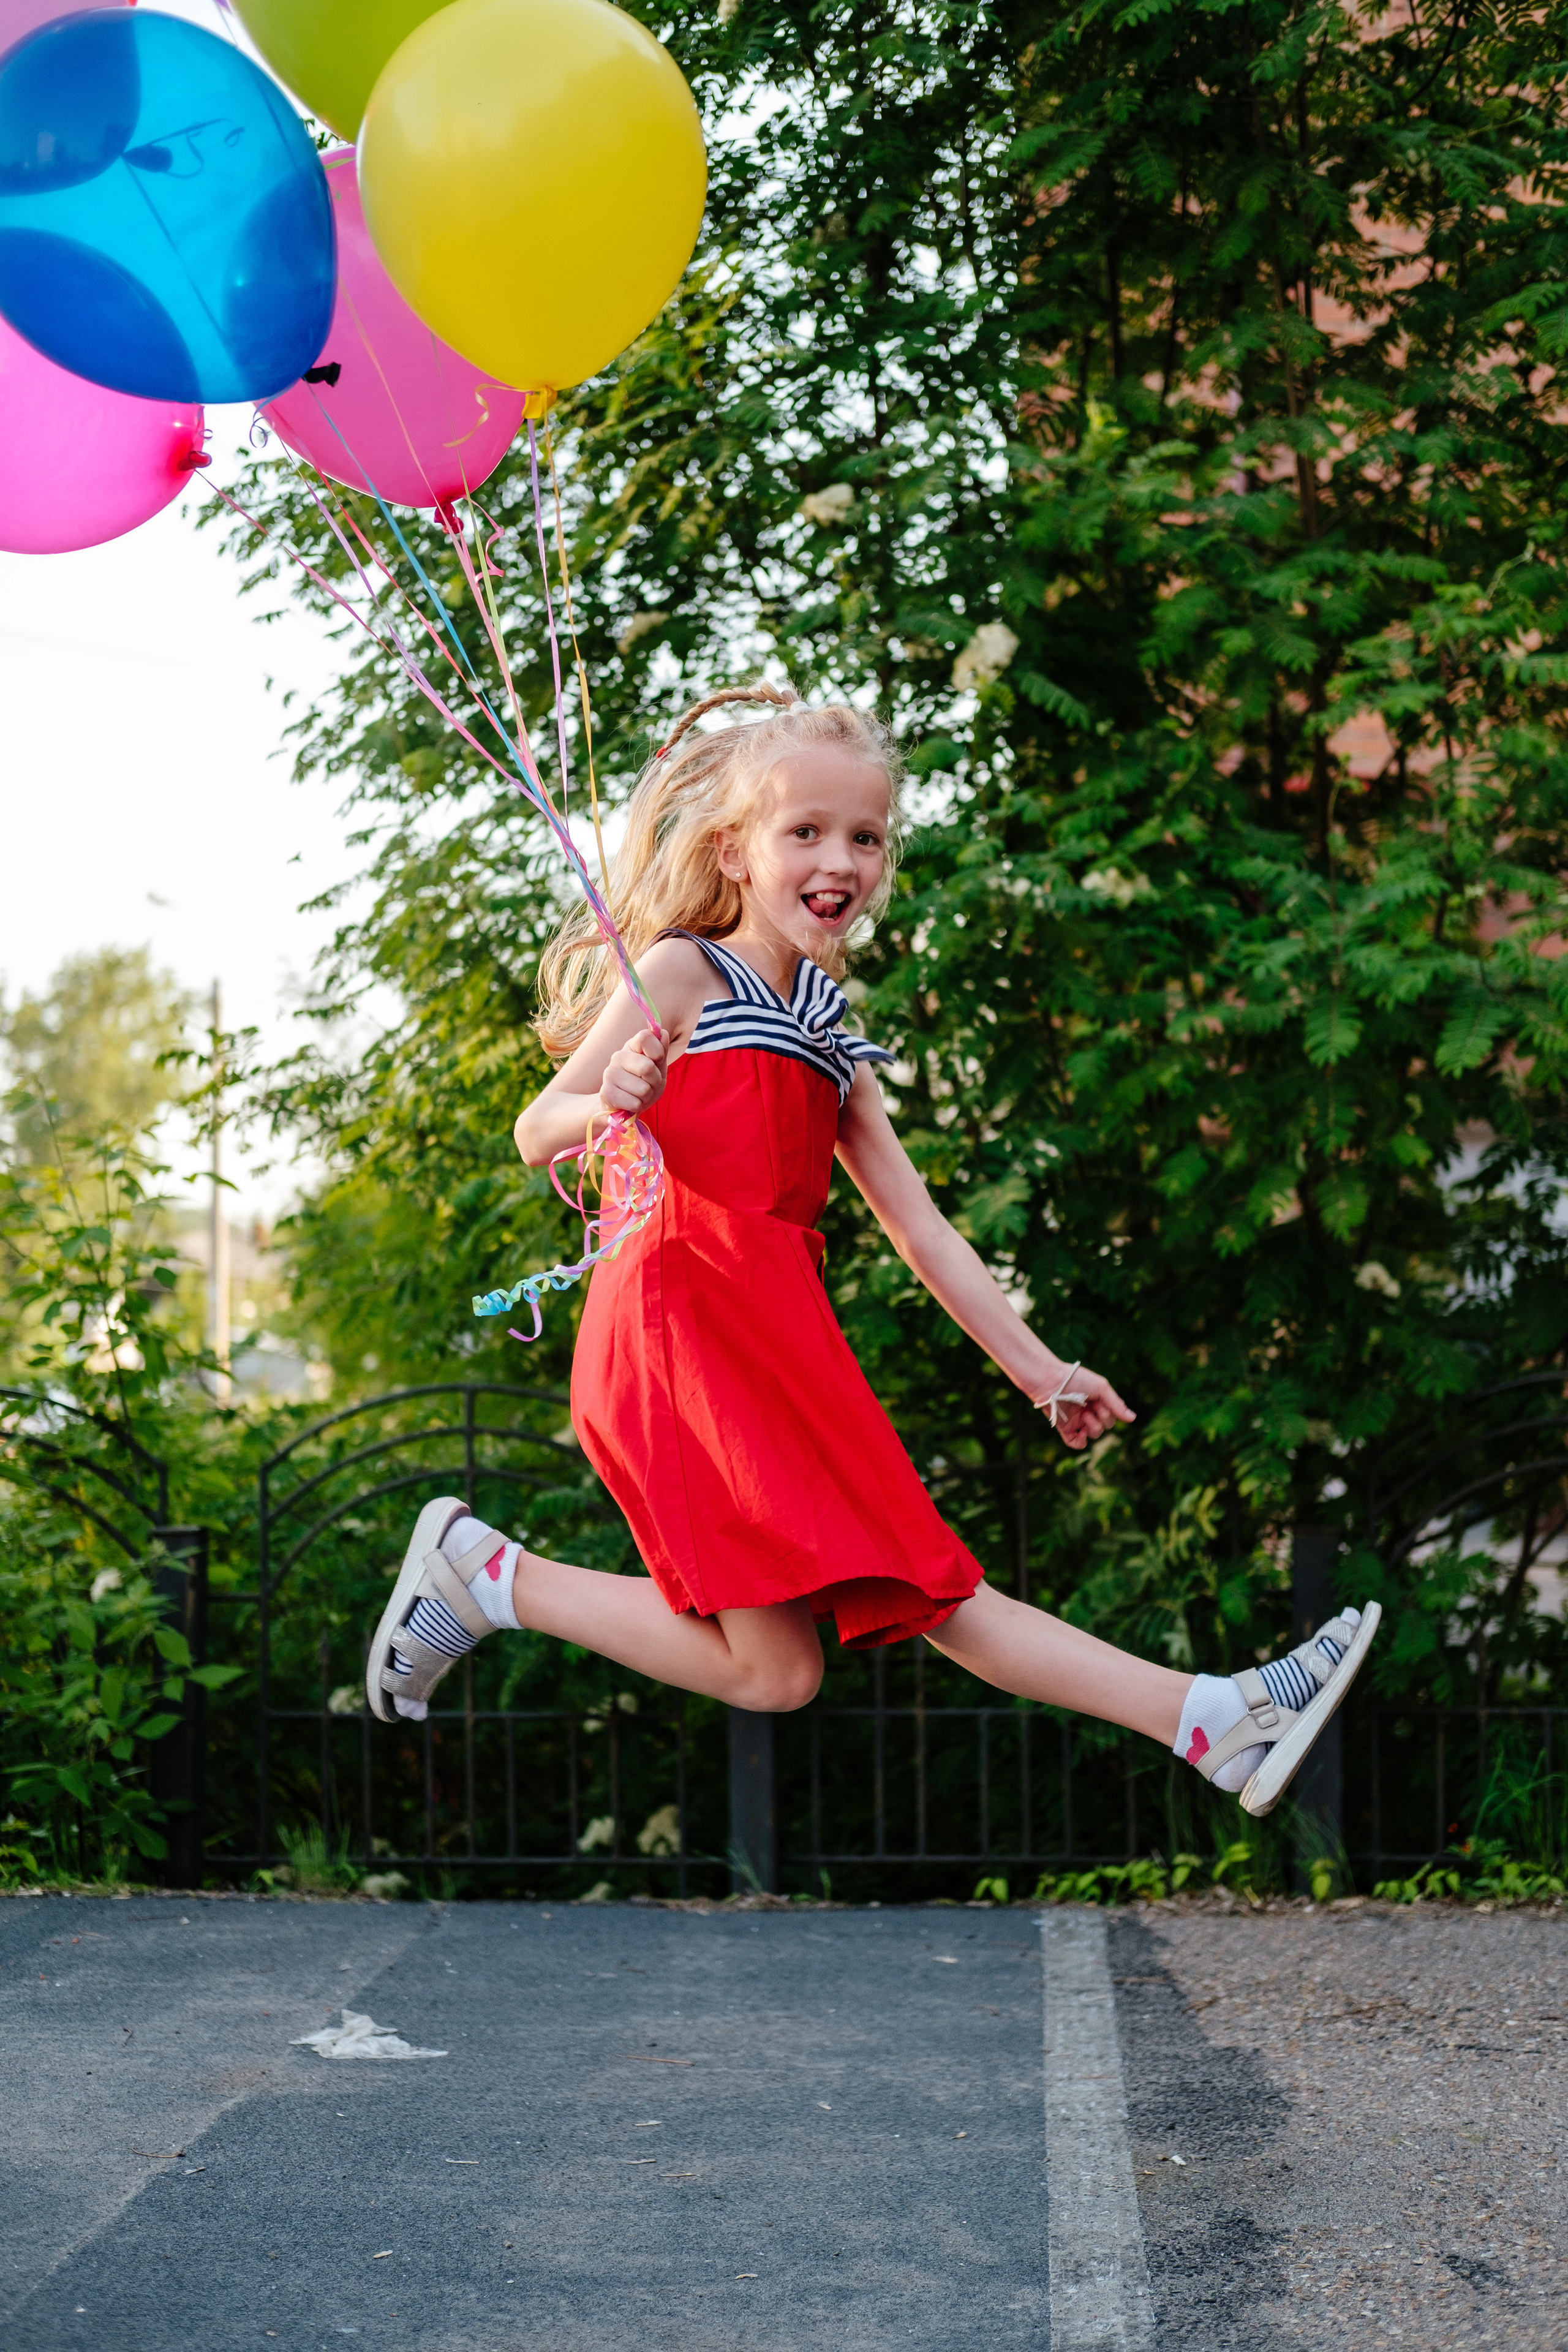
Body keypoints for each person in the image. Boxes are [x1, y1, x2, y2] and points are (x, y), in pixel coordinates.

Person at [365, 685, 1377, 1819]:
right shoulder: (688, 973)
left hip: (771, 1332)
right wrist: (613, 1098)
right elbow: (535, 1126)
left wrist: (1043, 1372)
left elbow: (919, 1223)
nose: (837, 857)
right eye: (804, 831)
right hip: (681, 1329)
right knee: (929, 1579)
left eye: (864, 835)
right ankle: (1217, 1721)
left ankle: (490, 1578)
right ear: (735, 852)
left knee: (783, 1671)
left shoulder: (830, 1031)